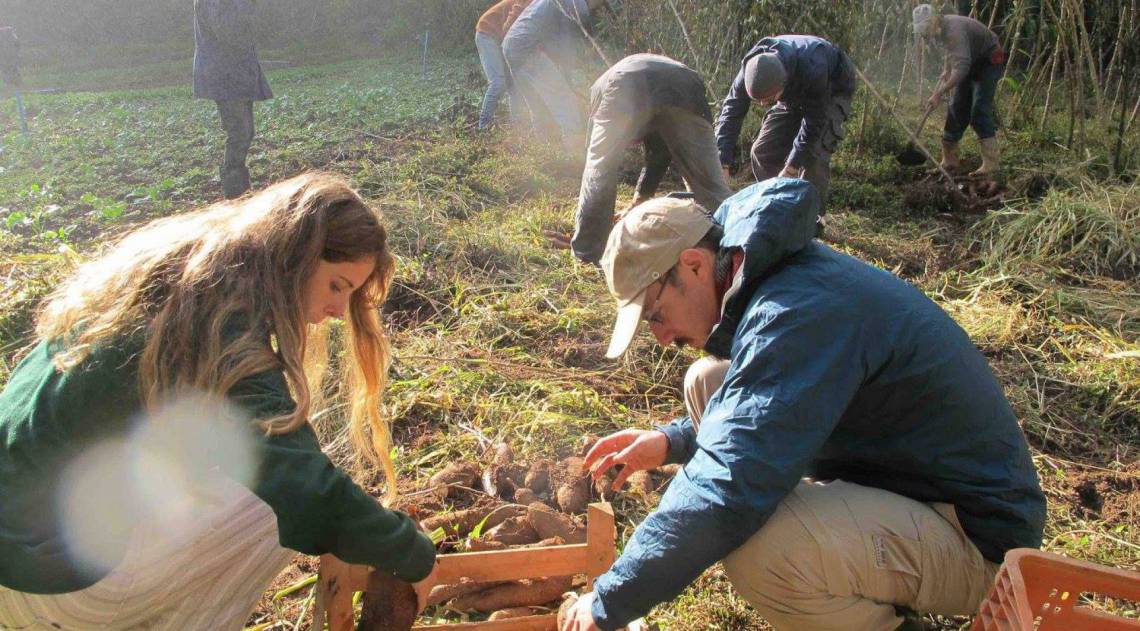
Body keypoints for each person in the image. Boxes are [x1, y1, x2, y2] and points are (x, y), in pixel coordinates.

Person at [560, 180, 1046, 631]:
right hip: (907, 481)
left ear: (694, 264)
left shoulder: (798, 312)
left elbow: (728, 483)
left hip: (976, 536)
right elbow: (769, 406)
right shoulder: (775, 282)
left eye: (656, 315)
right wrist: (673, 440)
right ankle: (854, 565)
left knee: (765, 552)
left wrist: (607, 603)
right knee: (707, 380)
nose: (662, 337)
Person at [0, 173, 440, 630]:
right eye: (336, 285)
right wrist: (413, 554)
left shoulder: (182, 269)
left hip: (18, 548)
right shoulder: (225, 324)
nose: (336, 310)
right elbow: (306, 488)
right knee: (268, 508)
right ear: (295, 257)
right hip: (43, 580)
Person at [555, 53, 733, 265]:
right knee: (711, 184)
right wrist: (639, 200)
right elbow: (660, 152)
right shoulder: (651, 100)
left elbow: (597, 167)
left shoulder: (599, 92)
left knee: (599, 171)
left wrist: (585, 239)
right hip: (685, 84)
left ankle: (587, 252)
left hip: (625, 85)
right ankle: (733, 244)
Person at [714, 35, 856, 210]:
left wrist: (791, 167)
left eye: (768, 99)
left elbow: (814, 123)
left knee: (813, 156)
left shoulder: (814, 68)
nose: (762, 105)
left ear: (782, 83)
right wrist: (722, 163)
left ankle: (811, 219)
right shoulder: (751, 68)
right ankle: (776, 207)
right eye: (759, 100)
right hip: (792, 93)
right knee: (762, 152)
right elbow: (730, 112)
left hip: (831, 88)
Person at [501, 0, 609, 149]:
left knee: (537, 104)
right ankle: (575, 152)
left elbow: (552, 37)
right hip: (527, 47)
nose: (599, 7)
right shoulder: (575, 5)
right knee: (565, 98)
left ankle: (545, 152)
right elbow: (566, 45)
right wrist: (567, 79)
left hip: (511, 45)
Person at [193, 0, 273, 199]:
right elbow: (228, 30)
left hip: (234, 72)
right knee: (240, 131)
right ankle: (236, 193)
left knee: (245, 131)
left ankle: (238, 190)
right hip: (225, 74)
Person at [913, 4, 1006, 176]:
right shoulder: (940, 29)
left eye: (925, 29)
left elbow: (962, 67)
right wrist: (947, 68)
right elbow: (952, 50)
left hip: (988, 61)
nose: (924, 34)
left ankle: (991, 163)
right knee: (956, 107)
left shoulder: (953, 30)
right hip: (971, 60)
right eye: (921, 30)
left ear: (934, 21)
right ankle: (949, 161)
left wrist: (938, 93)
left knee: (979, 110)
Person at [475, 0, 533, 130]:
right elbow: (508, 26)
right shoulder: (528, 2)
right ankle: (483, 126)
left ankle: (518, 127)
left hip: (501, 36)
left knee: (514, 84)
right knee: (498, 82)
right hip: (487, 33)